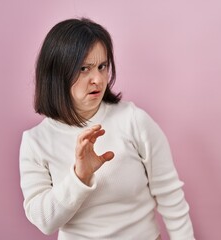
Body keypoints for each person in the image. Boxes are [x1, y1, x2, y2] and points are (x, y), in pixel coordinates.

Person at [19, 18, 195, 240]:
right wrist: (80, 176)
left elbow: (171, 197)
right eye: (84, 69)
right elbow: (44, 221)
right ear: (56, 74)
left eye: (102, 67)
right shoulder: (36, 142)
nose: (97, 79)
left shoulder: (134, 120)